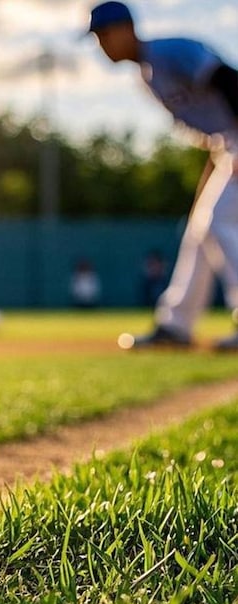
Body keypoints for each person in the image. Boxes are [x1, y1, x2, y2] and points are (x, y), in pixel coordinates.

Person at [87, 2, 238, 350]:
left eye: (105, 35)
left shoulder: (171, 51)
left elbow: (230, 81)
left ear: (127, 29)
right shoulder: (148, 76)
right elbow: (213, 135)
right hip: (226, 148)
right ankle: (176, 326)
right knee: (200, 231)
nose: (103, 46)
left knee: (221, 224)